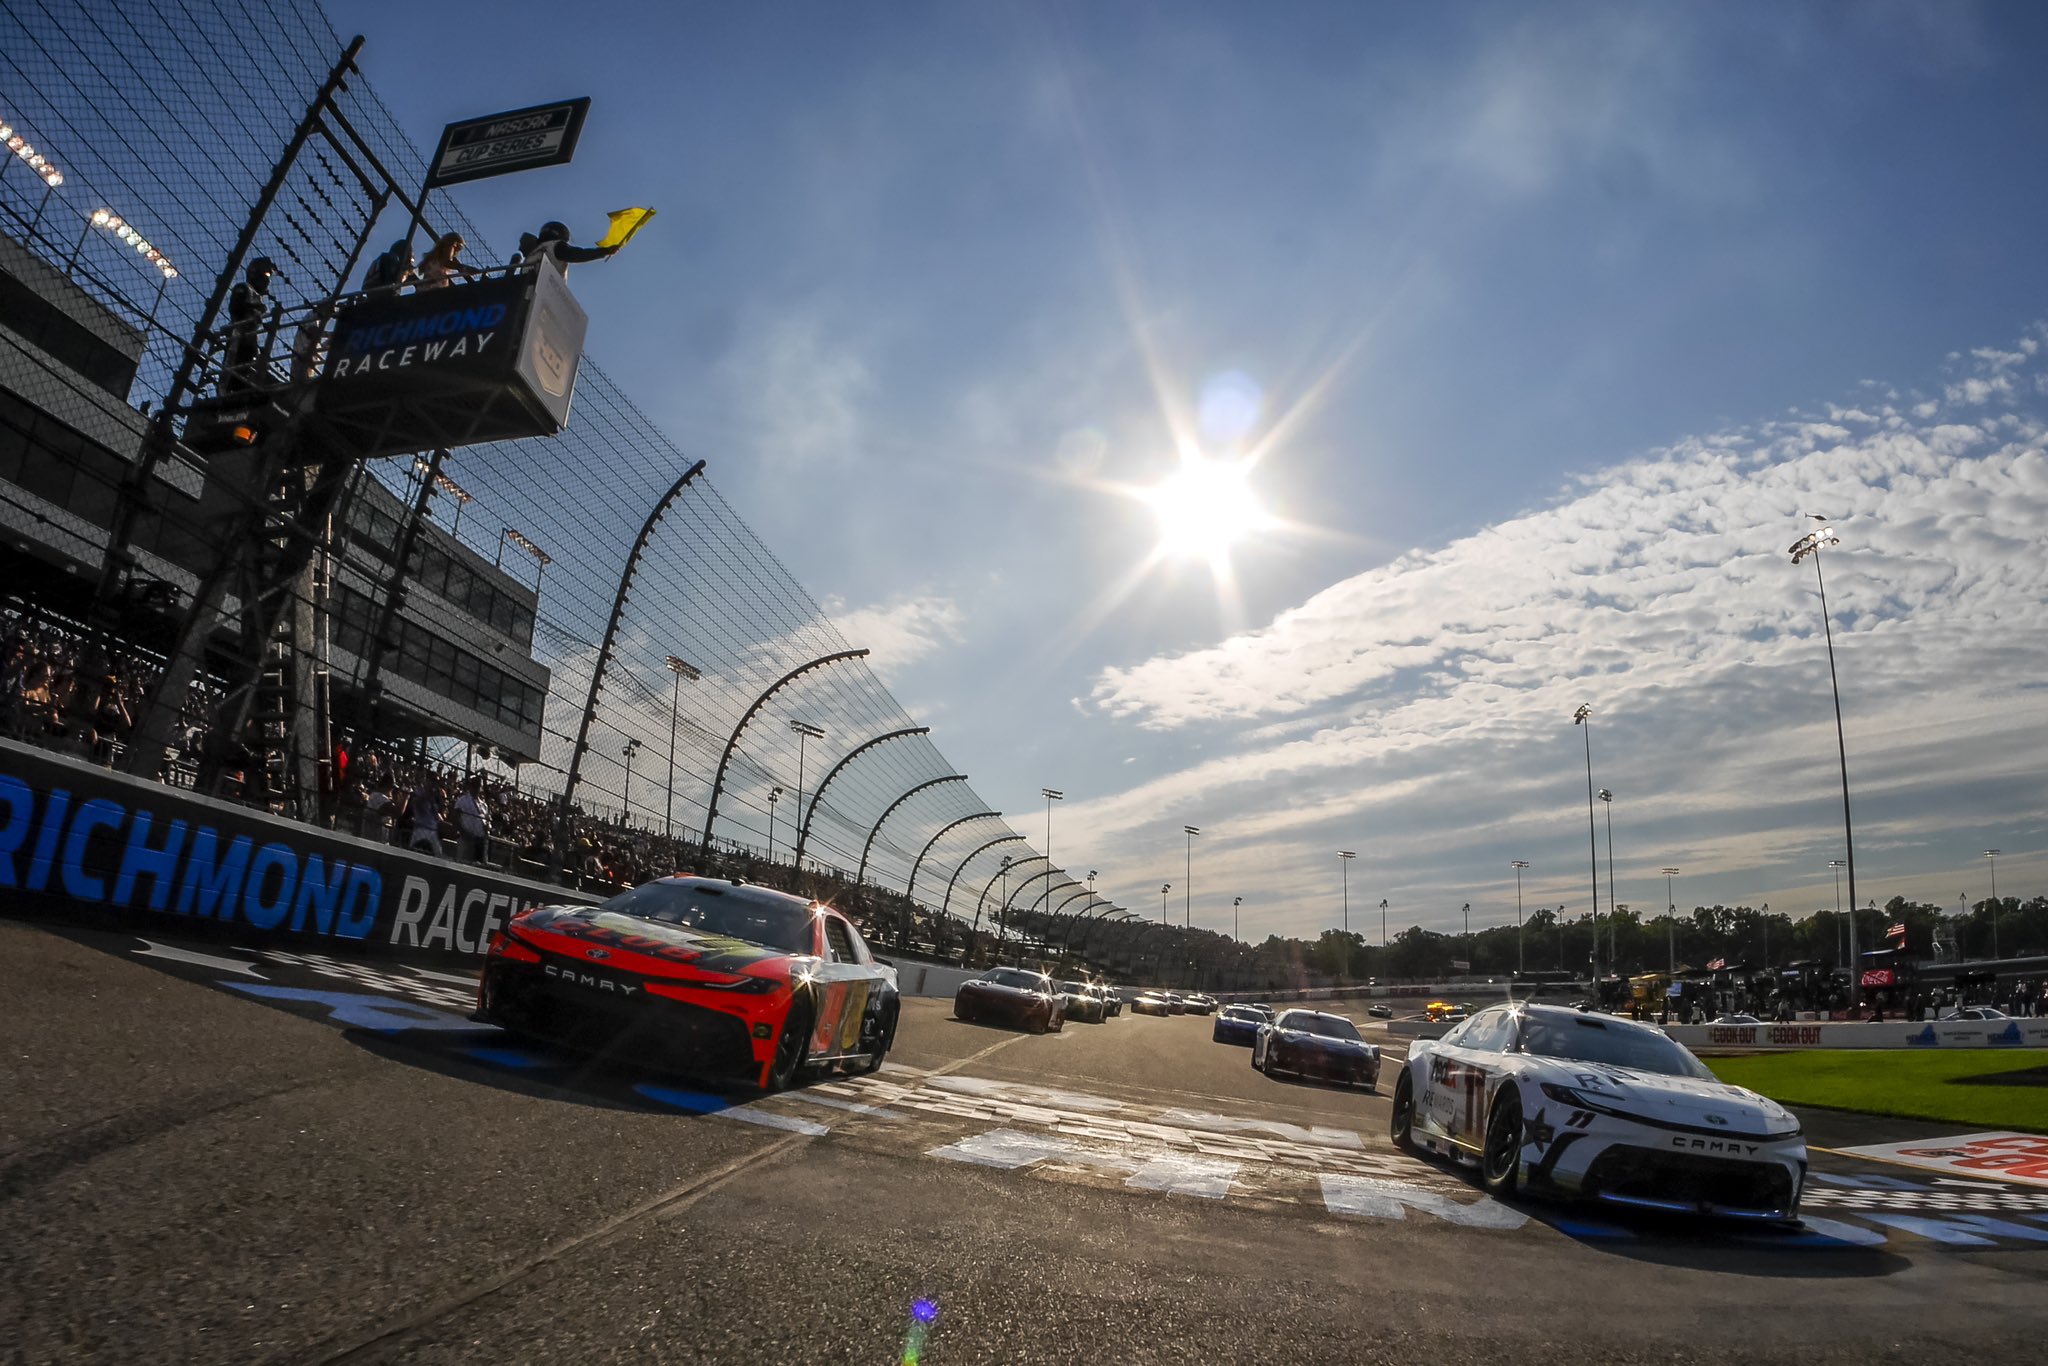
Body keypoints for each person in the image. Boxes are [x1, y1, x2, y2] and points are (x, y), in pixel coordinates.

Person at [223, 256, 277, 393]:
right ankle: (227, 391)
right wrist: (254, 307)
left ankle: (240, 387)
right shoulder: (244, 287)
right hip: (239, 335)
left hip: (250, 337)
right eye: (266, 274)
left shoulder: (257, 297)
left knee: (247, 364)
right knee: (234, 364)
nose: (267, 280)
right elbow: (236, 306)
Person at [520, 220, 618, 278]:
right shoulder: (556, 246)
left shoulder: (533, 253)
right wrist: (603, 251)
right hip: (545, 291)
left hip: (526, 291)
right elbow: (578, 255)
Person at [453, 776, 491, 864]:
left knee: (480, 864)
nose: (476, 788)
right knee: (463, 862)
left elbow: (487, 819)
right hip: (466, 836)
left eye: (478, 785)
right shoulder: (462, 800)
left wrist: (487, 827)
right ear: (470, 786)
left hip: (480, 839)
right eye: (474, 785)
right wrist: (462, 832)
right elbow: (455, 817)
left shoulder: (483, 804)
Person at [404, 777, 444, 856]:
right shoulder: (419, 791)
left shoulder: (435, 795)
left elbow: (438, 812)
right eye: (432, 781)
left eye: (435, 782)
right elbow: (415, 804)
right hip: (421, 827)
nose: (434, 784)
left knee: (438, 855)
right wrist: (427, 795)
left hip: (433, 829)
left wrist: (435, 800)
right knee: (415, 851)